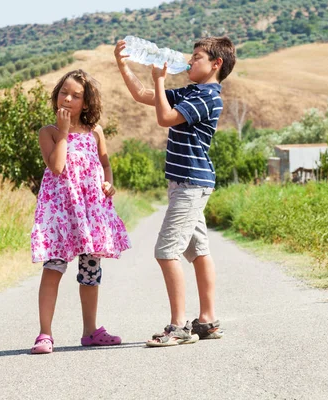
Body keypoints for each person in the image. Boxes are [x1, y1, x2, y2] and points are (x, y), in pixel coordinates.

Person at [114, 36, 236, 347]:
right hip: (188, 183)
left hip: (190, 184)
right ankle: (207, 321)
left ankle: (179, 326)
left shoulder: (207, 96)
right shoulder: (192, 91)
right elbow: (144, 96)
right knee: (197, 250)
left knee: (166, 251)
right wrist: (123, 66)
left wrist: (159, 79)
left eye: (197, 57)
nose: (190, 61)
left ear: (215, 64)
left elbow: (164, 117)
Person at [30, 69, 131, 354]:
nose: (68, 98)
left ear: (86, 103)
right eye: (64, 92)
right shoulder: (48, 132)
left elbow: (105, 164)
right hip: (60, 214)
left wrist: (109, 182)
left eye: (76, 96)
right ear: (56, 95)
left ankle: (90, 331)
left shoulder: (95, 132)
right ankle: (45, 334)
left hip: (90, 213)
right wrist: (63, 132)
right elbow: (57, 167)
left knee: (90, 271)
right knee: (53, 269)